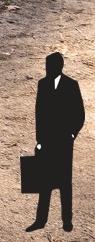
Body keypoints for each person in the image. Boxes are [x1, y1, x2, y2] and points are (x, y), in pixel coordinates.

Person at [33, 51, 84, 232]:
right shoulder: (42, 84)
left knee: (64, 183)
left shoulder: (71, 85)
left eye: (50, 67)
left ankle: (67, 221)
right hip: (47, 142)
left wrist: (71, 135)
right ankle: (41, 220)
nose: (47, 70)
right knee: (44, 182)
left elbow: (80, 114)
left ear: (58, 67)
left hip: (63, 142)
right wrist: (39, 140)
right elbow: (39, 114)